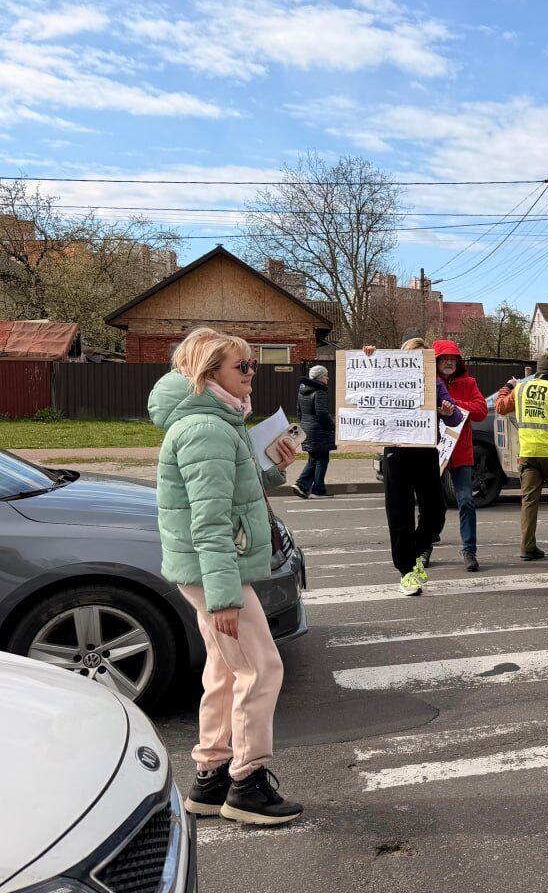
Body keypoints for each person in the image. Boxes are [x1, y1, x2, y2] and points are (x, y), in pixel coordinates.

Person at [149, 327, 303, 826]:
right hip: (218, 572)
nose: (252, 375)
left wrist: (275, 469)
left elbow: (234, 491)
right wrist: (224, 597)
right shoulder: (207, 429)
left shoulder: (215, 420)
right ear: (210, 371)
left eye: (252, 365)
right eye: (244, 367)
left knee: (223, 669)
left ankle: (211, 777)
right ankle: (247, 784)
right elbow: (209, 521)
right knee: (261, 669)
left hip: (209, 571)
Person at [366, 339, 465, 597]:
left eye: (423, 359)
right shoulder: (388, 377)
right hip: (397, 454)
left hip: (425, 453)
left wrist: (447, 411)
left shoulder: (434, 383)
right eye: (413, 358)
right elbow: (365, 383)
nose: (418, 363)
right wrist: (370, 357)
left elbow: (454, 416)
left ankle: (413, 553)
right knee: (400, 515)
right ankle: (407, 571)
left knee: (436, 512)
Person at [495, 354, 548, 560]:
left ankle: (527, 547)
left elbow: (500, 406)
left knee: (529, 502)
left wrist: (507, 386)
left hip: (527, 454)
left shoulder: (521, 389)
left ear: (537, 369)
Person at [432, 339, 491, 572]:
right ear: (436, 361)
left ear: (458, 362)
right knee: (432, 504)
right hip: (433, 452)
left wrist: (454, 403)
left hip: (461, 451)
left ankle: (469, 550)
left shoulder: (469, 383)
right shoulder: (427, 382)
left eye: (452, 359)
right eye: (444, 359)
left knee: (466, 500)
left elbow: (481, 411)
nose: (449, 362)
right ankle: (425, 546)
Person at [293, 364, 334, 499]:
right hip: (319, 430)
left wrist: (305, 425)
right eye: (326, 376)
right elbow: (321, 413)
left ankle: (302, 485)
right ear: (320, 377)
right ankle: (318, 490)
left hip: (307, 429)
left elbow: (299, 412)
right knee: (322, 459)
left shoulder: (302, 390)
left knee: (314, 459)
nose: (327, 378)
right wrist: (331, 425)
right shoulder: (320, 391)